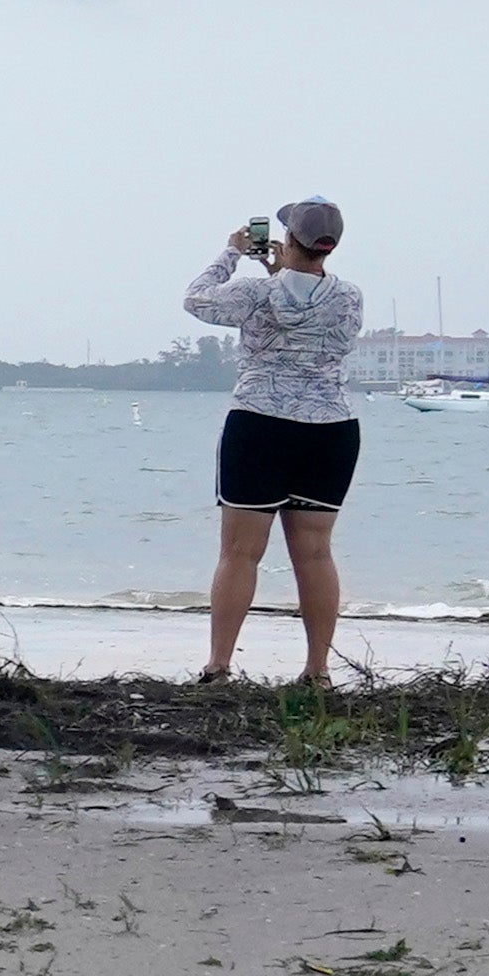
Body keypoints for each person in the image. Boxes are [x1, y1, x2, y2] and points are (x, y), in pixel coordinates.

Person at [181, 197, 363, 686]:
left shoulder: (256, 295)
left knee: (240, 553)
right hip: (330, 428)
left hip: (261, 422)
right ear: (329, 246)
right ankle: (317, 671)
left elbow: (197, 299)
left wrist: (231, 252)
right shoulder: (349, 298)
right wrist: (282, 270)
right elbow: (313, 313)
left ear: (287, 240)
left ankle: (219, 666)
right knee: (316, 553)